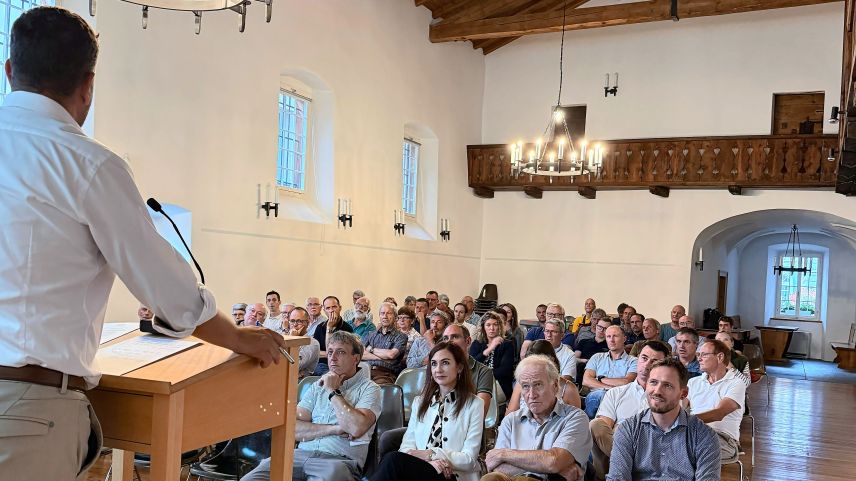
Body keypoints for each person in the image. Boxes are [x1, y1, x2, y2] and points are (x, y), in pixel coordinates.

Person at [0, 8, 286, 479]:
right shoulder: (86, 164)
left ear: (10, 71)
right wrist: (235, 338)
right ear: (88, 85)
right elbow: (169, 292)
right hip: (23, 414)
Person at [241, 332, 381, 481]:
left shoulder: (370, 388)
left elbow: (355, 427)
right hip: (298, 457)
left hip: (337, 461)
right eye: (330, 352)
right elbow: (293, 429)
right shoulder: (316, 386)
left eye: (341, 352)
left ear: (356, 358)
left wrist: (332, 391)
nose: (333, 358)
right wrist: (334, 429)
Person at [370, 342, 484, 481]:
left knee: (392, 461)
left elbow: (469, 459)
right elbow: (407, 447)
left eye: (445, 363)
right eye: (434, 364)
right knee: (393, 460)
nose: (438, 369)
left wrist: (431, 454)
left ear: (459, 367)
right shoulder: (420, 402)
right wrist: (429, 462)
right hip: (423, 469)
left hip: (452, 475)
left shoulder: (474, 404)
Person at [606, 357, 721, 481]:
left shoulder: (704, 435)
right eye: (653, 382)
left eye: (667, 385)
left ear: (683, 393)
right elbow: (617, 478)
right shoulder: (628, 429)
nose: (657, 391)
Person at [481, 355, 592, 481]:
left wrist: (504, 454)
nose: (531, 395)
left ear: (555, 386)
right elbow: (496, 467)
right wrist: (547, 467)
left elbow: (554, 461)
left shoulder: (575, 418)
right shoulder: (510, 421)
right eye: (525, 386)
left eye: (538, 385)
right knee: (491, 478)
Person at [589, 340, 670, 480]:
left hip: (651, 455)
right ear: (637, 359)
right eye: (644, 358)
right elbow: (602, 429)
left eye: (654, 362)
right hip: (617, 450)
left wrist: (623, 427)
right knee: (595, 425)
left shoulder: (669, 397)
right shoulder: (616, 393)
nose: (647, 365)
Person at [688, 339, 747, 462]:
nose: (699, 358)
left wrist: (685, 421)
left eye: (704, 354)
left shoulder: (736, 383)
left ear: (720, 357)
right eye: (698, 355)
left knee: (685, 454)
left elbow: (719, 413)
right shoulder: (693, 382)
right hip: (693, 433)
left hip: (722, 438)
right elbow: (680, 407)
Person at [506, 340, 581, 412]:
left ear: (552, 362)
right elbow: (510, 416)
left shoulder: (568, 389)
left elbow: (576, 420)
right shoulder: (521, 384)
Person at [582, 326, 638, 419]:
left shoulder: (633, 361)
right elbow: (586, 381)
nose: (611, 340)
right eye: (608, 336)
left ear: (624, 338)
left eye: (615, 336)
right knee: (602, 395)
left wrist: (600, 379)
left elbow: (626, 382)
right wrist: (609, 389)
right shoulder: (597, 357)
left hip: (620, 398)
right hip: (596, 396)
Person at [441, 324, 494, 418]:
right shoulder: (438, 370)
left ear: (468, 341)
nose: (449, 342)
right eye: (445, 338)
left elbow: (480, 413)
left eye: (455, 337)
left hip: (468, 426)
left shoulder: (483, 371)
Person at [470, 311, 515, 399]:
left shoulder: (507, 344)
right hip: (477, 382)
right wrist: (489, 349)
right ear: (483, 327)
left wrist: (484, 377)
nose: (492, 328)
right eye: (488, 325)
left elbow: (505, 370)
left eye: (495, 324)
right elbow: (472, 365)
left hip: (498, 383)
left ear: (499, 327)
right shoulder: (477, 343)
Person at [361, 302, 408, 384]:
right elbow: (360, 353)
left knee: (375, 388)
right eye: (382, 313)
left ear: (395, 317)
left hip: (385, 374)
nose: (385, 316)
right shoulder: (371, 334)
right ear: (379, 316)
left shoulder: (401, 336)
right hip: (364, 371)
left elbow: (391, 354)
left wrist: (371, 349)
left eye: (389, 313)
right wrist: (382, 358)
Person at [312, 296, 354, 375]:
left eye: (334, 307)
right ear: (324, 310)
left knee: (332, 375)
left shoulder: (347, 328)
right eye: (328, 308)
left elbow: (336, 352)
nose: (331, 310)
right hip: (322, 364)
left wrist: (330, 328)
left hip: (340, 365)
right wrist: (327, 354)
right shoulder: (320, 327)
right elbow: (315, 352)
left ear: (340, 308)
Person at [287, 307, 320, 378]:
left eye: (299, 321)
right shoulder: (285, 338)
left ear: (307, 323)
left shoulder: (312, 343)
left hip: (300, 383)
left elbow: (294, 365)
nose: (295, 325)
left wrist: (293, 341)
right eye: (292, 321)